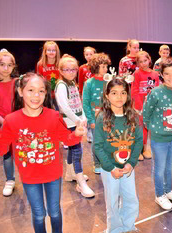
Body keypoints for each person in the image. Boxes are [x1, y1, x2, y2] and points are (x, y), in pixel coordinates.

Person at [0, 72, 85, 233]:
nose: (36, 95)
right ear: (20, 91)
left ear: (46, 93)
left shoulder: (53, 116)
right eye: (30, 90)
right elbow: (2, 148)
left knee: (54, 212)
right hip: (29, 176)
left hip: (52, 174)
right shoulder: (11, 120)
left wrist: (77, 135)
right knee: (38, 215)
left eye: (41, 91)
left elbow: (67, 139)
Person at [94, 78, 143, 233]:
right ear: (107, 96)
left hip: (128, 167)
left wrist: (131, 163)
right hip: (110, 169)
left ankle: (128, 225)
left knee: (131, 199)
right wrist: (110, 167)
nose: (119, 97)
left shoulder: (133, 116)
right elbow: (98, 146)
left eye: (123, 93)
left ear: (127, 95)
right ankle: (114, 229)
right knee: (112, 202)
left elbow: (139, 141)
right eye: (114, 93)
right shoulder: (102, 117)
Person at [143, 57, 172, 210]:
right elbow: (146, 114)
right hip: (159, 139)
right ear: (161, 74)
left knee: (170, 166)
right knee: (160, 167)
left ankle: (170, 190)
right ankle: (159, 194)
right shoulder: (155, 93)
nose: (171, 77)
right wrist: (155, 131)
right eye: (167, 74)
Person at [55, 54, 95, 197]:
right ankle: (80, 183)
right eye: (67, 69)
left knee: (73, 150)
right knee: (77, 151)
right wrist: (77, 120)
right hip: (68, 124)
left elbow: (78, 103)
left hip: (76, 122)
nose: (71, 72)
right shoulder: (61, 86)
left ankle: (70, 173)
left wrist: (83, 117)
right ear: (60, 70)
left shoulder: (72, 84)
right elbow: (64, 107)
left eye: (74, 70)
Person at [83, 53, 111, 174]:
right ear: (95, 67)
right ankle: (97, 163)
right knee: (97, 142)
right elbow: (86, 103)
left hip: (109, 117)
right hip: (95, 119)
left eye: (106, 66)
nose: (106, 69)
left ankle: (108, 160)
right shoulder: (89, 83)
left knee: (109, 140)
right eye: (103, 66)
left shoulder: (110, 81)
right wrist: (91, 120)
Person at [131, 51, 160, 160]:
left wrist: (154, 105)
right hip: (140, 106)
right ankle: (137, 150)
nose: (143, 63)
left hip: (151, 105)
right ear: (137, 63)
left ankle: (146, 148)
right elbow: (134, 91)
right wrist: (139, 107)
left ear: (149, 60)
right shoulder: (137, 74)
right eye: (140, 62)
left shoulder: (155, 74)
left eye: (145, 60)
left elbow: (157, 91)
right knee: (139, 127)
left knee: (148, 128)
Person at [0, 49, 17, 196]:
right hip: (3, 125)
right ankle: (10, 180)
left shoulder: (17, 83)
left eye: (9, 65)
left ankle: (30, 177)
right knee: (7, 154)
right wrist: (4, 121)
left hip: (19, 124)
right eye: (2, 64)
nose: (6, 69)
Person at [78, 46, 96, 143]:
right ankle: (89, 132)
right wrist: (80, 93)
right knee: (87, 113)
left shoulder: (96, 67)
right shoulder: (82, 68)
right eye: (86, 54)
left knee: (95, 113)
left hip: (95, 94)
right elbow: (80, 81)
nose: (89, 56)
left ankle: (95, 131)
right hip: (86, 94)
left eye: (91, 54)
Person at [36, 41, 61, 110]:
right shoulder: (40, 64)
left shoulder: (60, 63)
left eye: (53, 50)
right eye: (49, 50)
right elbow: (39, 80)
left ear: (57, 52)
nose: (51, 52)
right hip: (46, 94)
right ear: (45, 52)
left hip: (58, 94)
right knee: (47, 112)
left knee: (59, 112)